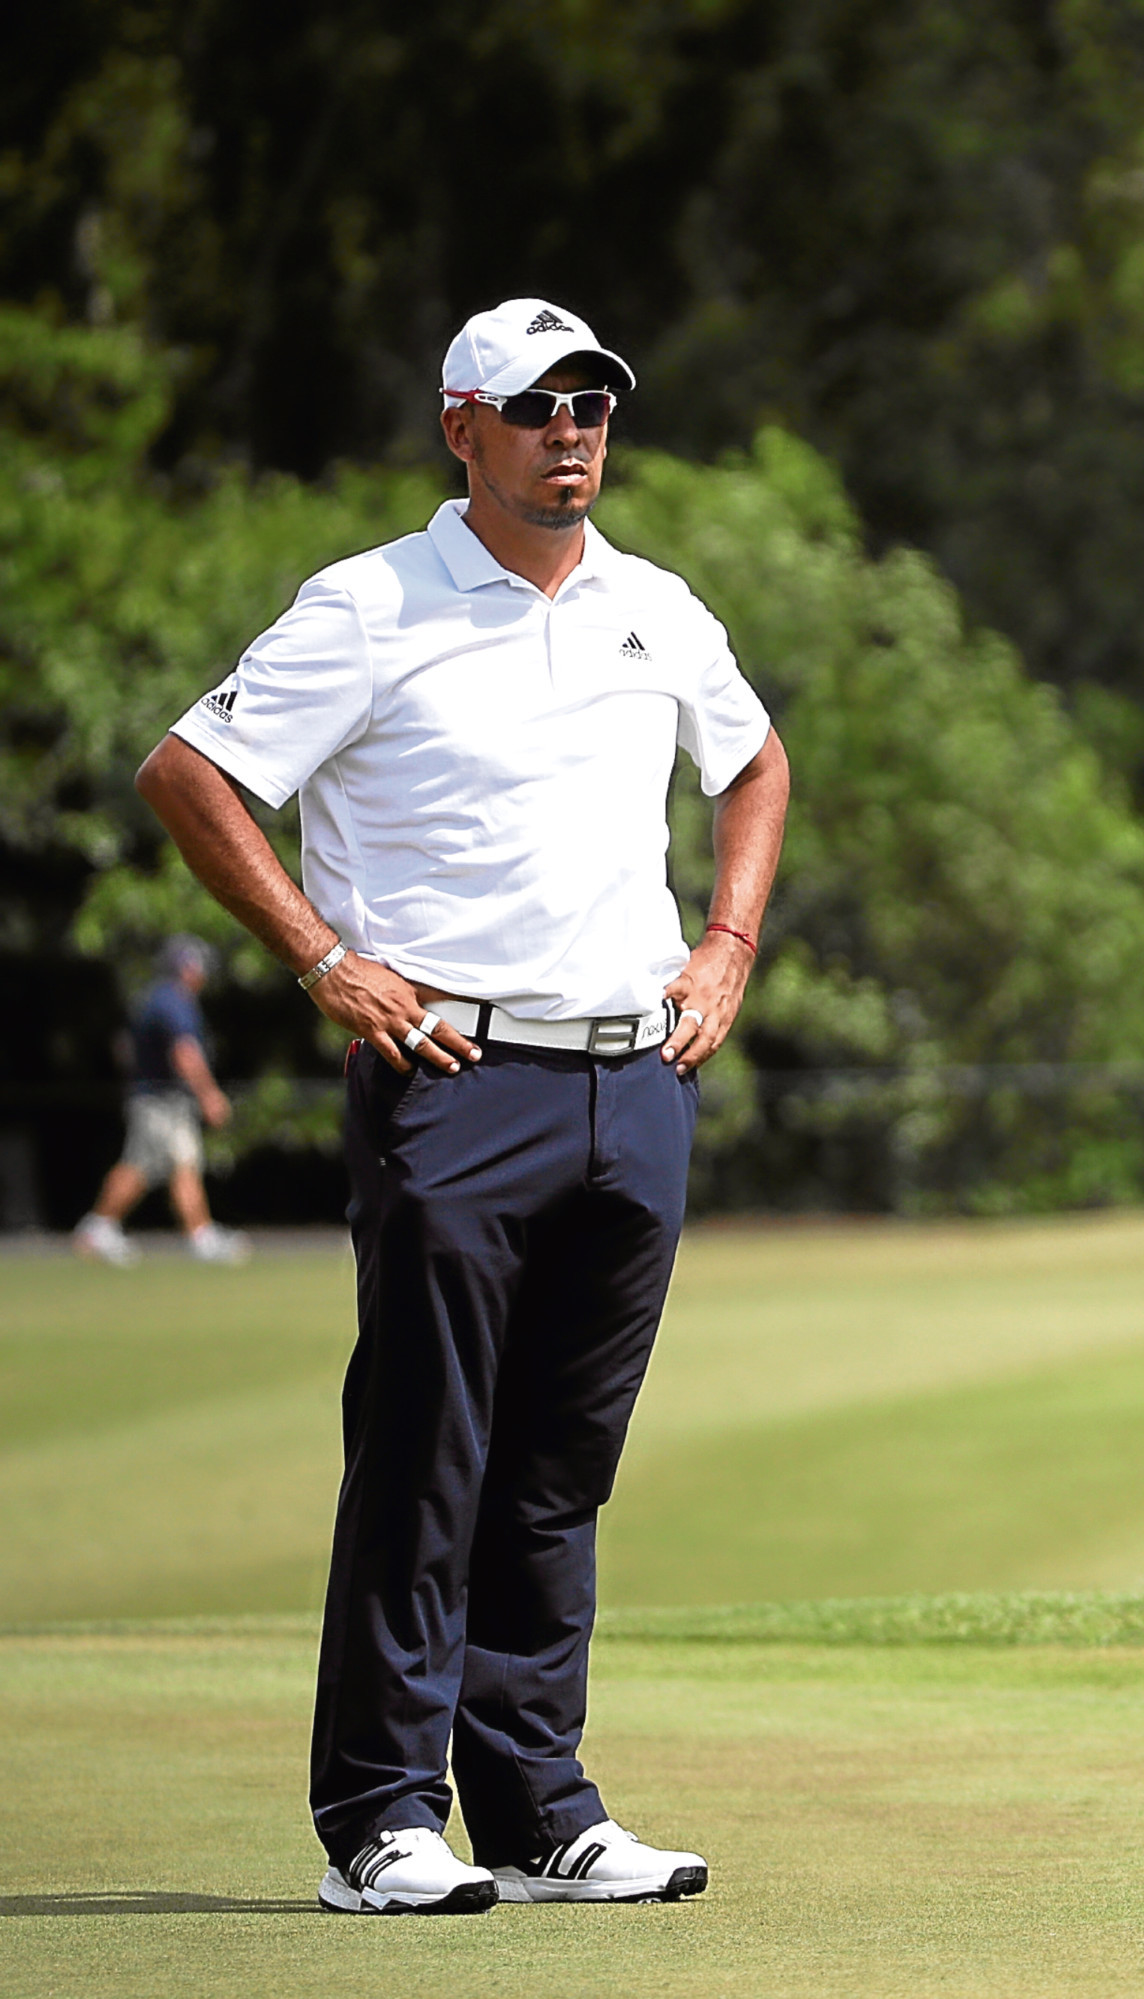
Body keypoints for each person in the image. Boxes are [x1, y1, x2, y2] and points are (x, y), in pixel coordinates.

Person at [135, 298, 791, 1913]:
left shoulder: (655, 605)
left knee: (562, 1464)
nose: (573, 429)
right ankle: (379, 1816)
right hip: (454, 1075)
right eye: (538, 404)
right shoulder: (370, 603)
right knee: (428, 1448)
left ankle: (538, 1803)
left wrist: (727, 943)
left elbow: (755, 764)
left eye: (593, 404)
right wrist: (321, 958)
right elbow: (190, 771)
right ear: (462, 426)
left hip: (634, 1075)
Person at [72, 935, 249, 1265]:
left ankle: (106, 1227)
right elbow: (185, 1053)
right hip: (161, 1101)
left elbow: (123, 1050)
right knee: (163, 1164)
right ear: (187, 967)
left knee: (161, 1165)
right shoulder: (173, 1001)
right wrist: (209, 1095)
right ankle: (193, 1235)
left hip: (156, 1098)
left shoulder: (158, 998)